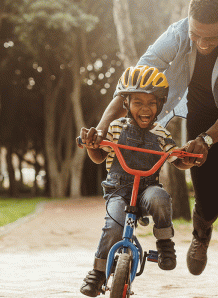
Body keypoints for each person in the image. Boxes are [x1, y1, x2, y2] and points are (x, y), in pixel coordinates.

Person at [82, 0, 218, 297]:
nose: (201, 43)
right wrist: (103, 126)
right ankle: (202, 230)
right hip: (202, 113)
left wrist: (207, 140)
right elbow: (136, 80)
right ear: (188, 22)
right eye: (196, 35)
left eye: (210, 38)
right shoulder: (177, 33)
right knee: (210, 201)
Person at [78, 66, 195, 297]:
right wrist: (92, 146)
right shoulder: (114, 128)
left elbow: (176, 159)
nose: (145, 108)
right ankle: (98, 272)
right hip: (118, 191)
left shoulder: (162, 134)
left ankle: (164, 244)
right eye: (138, 102)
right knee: (113, 226)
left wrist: (188, 159)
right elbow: (99, 156)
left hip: (147, 190)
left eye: (151, 103)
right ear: (126, 104)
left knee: (160, 198)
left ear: (160, 105)